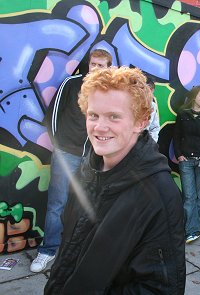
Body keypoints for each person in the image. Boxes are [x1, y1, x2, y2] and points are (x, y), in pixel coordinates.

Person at [44, 67, 186, 294]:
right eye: (93, 115)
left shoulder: (160, 195)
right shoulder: (86, 172)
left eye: (114, 116)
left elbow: (159, 288)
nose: (99, 127)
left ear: (141, 122)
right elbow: (69, 247)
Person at [30, 49, 112, 273]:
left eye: (102, 65)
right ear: (88, 64)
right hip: (67, 154)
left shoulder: (109, 93)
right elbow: (53, 115)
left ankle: (75, 251)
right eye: (94, 64)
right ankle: (48, 250)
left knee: (85, 205)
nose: (97, 68)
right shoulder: (71, 83)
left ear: (108, 68)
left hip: (93, 158)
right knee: (57, 204)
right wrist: (59, 144)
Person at [173, 86, 200, 244]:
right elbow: (176, 136)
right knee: (189, 197)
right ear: (194, 97)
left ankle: (191, 228)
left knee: (199, 196)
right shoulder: (183, 114)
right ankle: (191, 230)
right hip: (186, 162)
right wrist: (179, 155)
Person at [145, 75, 160, 142]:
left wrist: (151, 144)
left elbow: (155, 128)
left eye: (151, 90)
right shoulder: (128, 104)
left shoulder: (152, 105)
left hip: (145, 146)